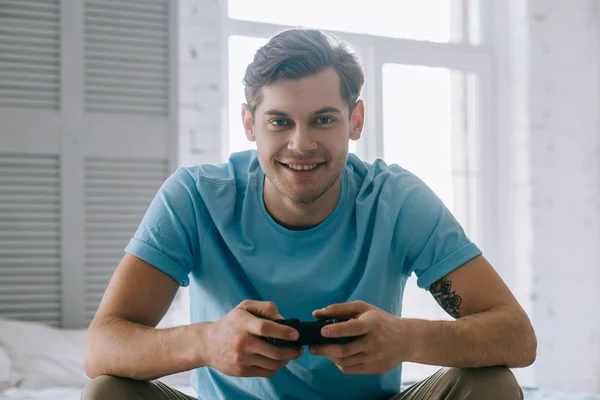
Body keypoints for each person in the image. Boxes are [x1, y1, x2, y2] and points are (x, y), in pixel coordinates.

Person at [82, 28, 536, 400]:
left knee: (491, 385)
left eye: (323, 119)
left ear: (354, 121)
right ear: (249, 124)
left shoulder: (396, 199)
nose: (301, 144)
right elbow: (100, 347)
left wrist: (407, 339)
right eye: (280, 121)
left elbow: (517, 337)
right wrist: (205, 342)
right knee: (107, 391)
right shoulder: (195, 196)